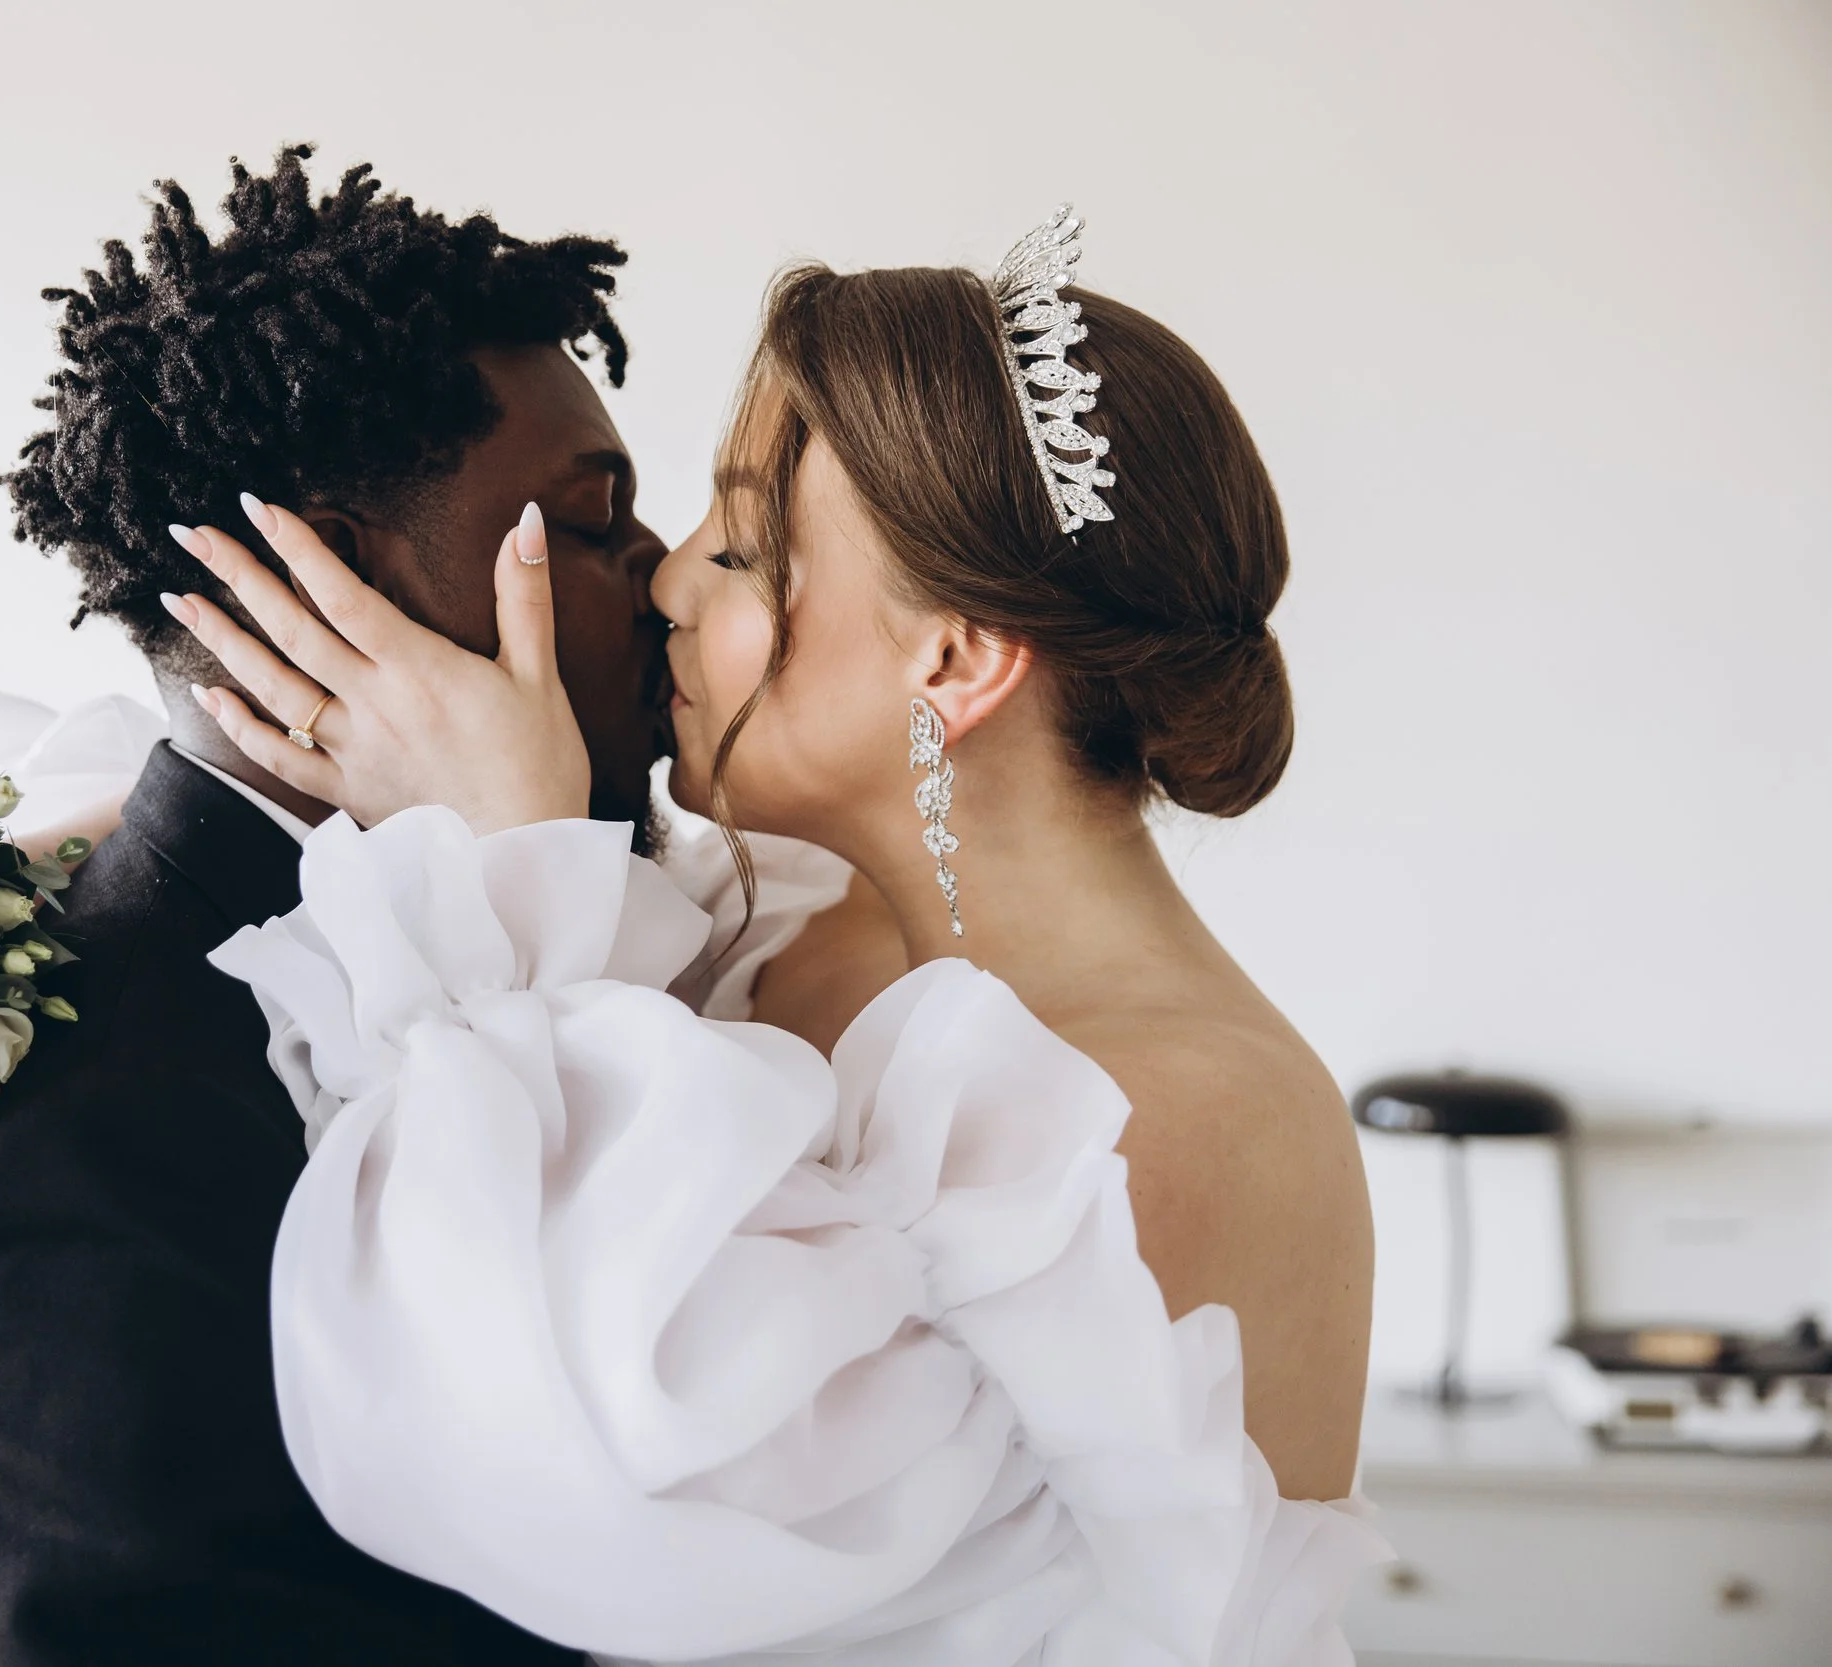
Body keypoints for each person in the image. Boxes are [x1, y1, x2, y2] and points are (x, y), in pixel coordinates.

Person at [168, 208, 1387, 1662]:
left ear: (957, 656)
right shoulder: (780, 934)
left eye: (744, 548)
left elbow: (622, 1485)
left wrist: (508, 858)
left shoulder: (1173, 1118)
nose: (670, 583)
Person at [0, 145, 667, 1665]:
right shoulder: (79, 1152)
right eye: (596, 523)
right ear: (320, 586)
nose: (666, 584)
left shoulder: (450, 947)